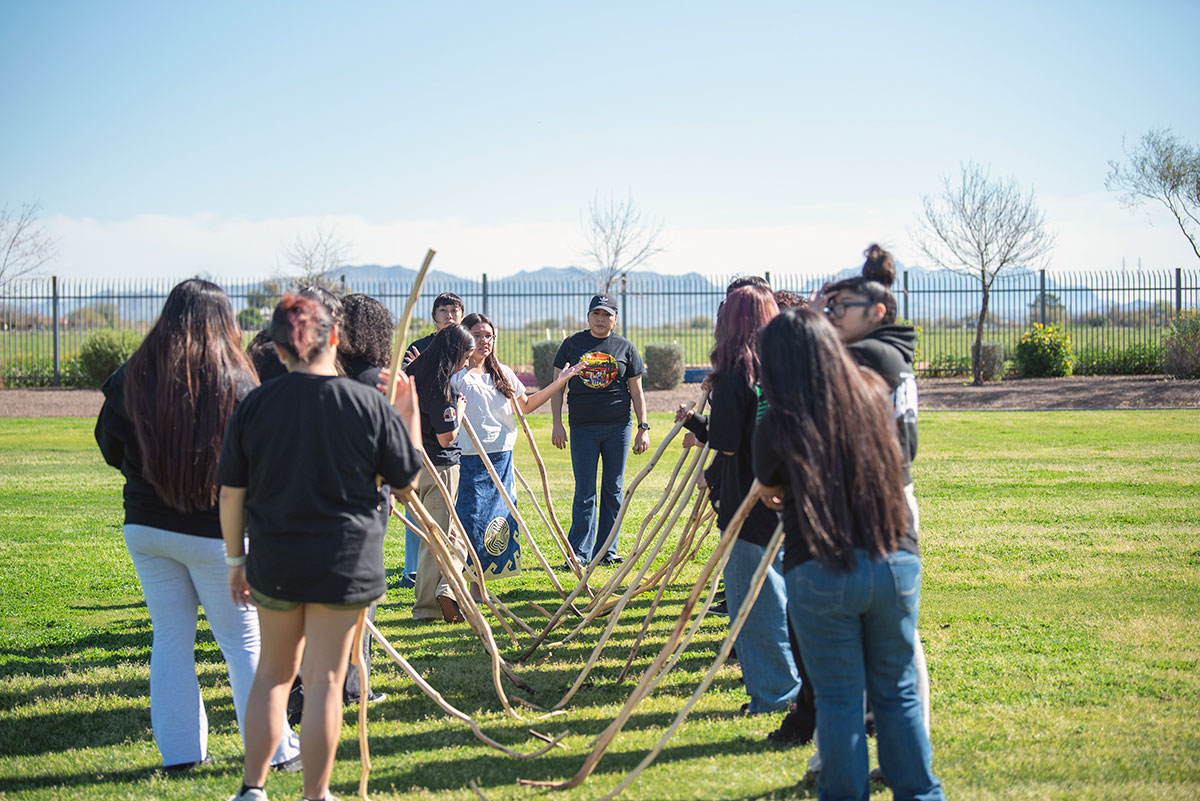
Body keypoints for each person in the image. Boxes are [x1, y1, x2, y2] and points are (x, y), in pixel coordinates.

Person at [218, 293, 423, 801]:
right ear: (335, 338)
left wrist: (235, 560)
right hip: (344, 562)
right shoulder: (369, 404)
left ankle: (252, 788)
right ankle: (316, 795)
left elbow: (231, 492)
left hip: (276, 558)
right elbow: (407, 483)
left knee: (272, 673)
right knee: (327, 682)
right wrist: (407, 410)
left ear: (280, 348)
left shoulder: (255, 404)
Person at [94, 278, 301, 773]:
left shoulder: (132, 375)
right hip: (215, 532)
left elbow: (109, 444)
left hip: (146, 525)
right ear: (224, 322)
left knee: (169, 639)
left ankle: (180, 755)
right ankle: (275, 749)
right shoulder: (239, 380)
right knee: (244, 642)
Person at [753, 307, 944, 801]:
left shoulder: (780, 420)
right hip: (895, 558)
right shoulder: (875, 394)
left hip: (821, 567)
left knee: (839, 700)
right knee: (898, 693)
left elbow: (769, 487)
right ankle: (921, 794)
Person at [676, 286, 803, 717]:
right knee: (786, 597)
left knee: (757, 604)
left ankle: (774, 695)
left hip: (749, 502)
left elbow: (728, 443)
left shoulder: (736, 375)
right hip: (787, 495)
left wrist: (709, 423)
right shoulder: (788, 367)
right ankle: (798, 686)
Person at [452, 313, 580, 592]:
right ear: (464, 337)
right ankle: (456, 586)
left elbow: (525, 405)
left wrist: (561, 382)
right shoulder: (455, 374)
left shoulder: (503, 373)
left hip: (501, 457)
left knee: (495, 522)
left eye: (488, 335)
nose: (484, 341)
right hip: (469, 458)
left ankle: (479, 589)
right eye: (476, 335)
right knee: (468, 521)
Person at [550, 293, 650, 566]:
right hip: (582, 428)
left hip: (618, 427)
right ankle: (579, 554)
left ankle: (607, 550)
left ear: (615, 319)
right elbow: (558, 386)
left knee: (613, 489)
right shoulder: (572, 344)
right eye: (596, 314)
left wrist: (643, 427)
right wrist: (557, 423)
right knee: (585, 491)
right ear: (588, 316)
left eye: (607, 315)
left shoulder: (625, 347)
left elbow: (636, 390)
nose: (601, 319)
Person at [404, 323, 477, 622]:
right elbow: (447, 436)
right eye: (465, 356)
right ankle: (428, 606)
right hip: (440, 466)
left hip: (412, 462)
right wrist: (459, 412)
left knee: (451, 534)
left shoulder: (413, 371)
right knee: (438, 538)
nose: (466, 363)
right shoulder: (445, 385)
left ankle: (446, 588)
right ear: (453, 352)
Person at [401, 291, 464, 583]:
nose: (449, 315)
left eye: (454, 310)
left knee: (447, 523)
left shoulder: (467, 344)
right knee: (427, 521)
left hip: (443, 447)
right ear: (434, 316)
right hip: (430, 447)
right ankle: (417, 577)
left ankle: (445, 582)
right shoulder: (422, 351)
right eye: (443, 310)